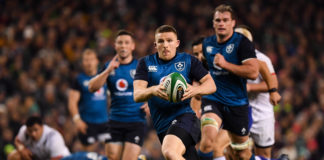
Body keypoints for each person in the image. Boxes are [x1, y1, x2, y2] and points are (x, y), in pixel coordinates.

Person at [133, 25, 216, 160]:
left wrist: (194, 90)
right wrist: (153, 90)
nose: (165, 45)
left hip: (186, 118)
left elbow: (211, 85)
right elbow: (137, 95)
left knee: (170, 152)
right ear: (155, 44)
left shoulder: (189, 61)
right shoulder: (146, 63)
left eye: (169, 40)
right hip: (162, 126)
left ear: (177, 43)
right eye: (161, 41)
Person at [198, 4, 259, 160]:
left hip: (236, 103)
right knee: (207, 141)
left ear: (233, 23)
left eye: (225, 20)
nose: (221, 24)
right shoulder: (207, 44)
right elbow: (204, 69)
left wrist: (226, 65)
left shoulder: (242, 43)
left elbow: (253, 72)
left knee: (241, 153)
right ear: (213, 23)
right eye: (218, 20)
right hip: (213, 99)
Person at [88, 30, 149, 160]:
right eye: (120, 43)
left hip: (136, 121)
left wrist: (151, 103)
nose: (123, 46)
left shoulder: (140, 67)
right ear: (115, 46)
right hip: (114, 120)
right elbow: (92, 87)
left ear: (132, 46)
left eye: (126, 43)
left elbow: (154, 88)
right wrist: (108, 71)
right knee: (112, 157)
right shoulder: (108, 66)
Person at [235, 26, 282, 159]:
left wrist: (249, 87)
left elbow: (273, 83)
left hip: (261, 114)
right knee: (235, 152)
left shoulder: (262, 59)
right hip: (239, 113)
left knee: (264, 153)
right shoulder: (229, 61)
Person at [68, 49, 109, 152]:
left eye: (91, 59)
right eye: (86, 60)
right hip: (87, 123)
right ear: (82, 63)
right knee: (89, 154)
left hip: (105, 122)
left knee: (111, 153)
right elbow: (72, 102)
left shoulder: (104, 77)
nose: (89, 62)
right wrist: (77, 120)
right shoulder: (79, 79)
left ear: (96, 61)